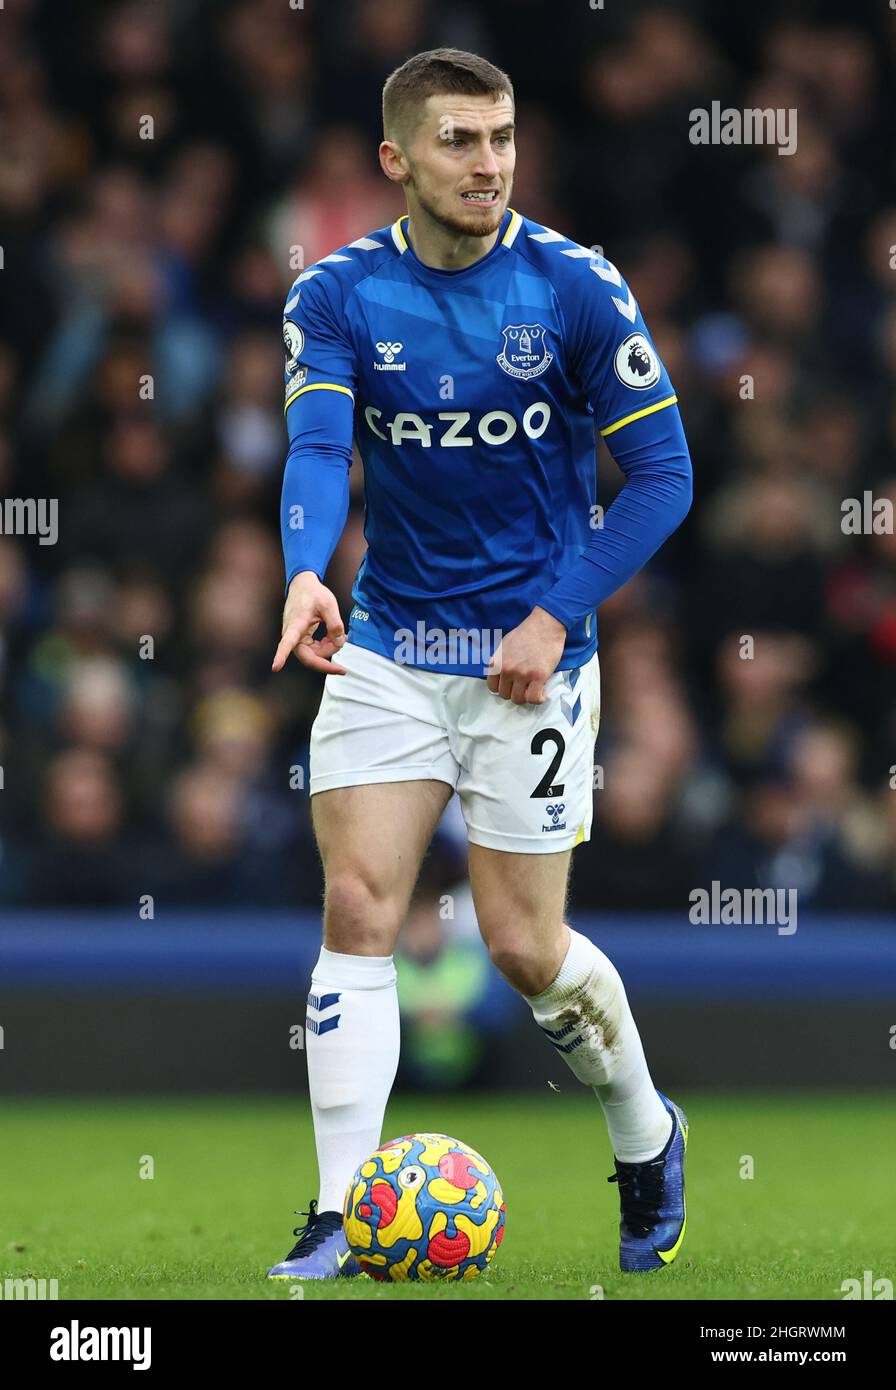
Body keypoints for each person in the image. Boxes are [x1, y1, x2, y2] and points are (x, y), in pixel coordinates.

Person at [267, 49, 692, 1281]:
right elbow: (315, 449)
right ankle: (343, 1211)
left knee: (520, 948)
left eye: (500, 136)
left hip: (527, 660)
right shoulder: (337, 293)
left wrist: (557, 613)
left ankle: (643, 1130)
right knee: (358, 904)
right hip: (394, 641)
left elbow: (661, 478)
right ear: (395, 160)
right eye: (457, 140)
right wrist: (306, 567)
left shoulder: (574, 287)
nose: (487, 162)